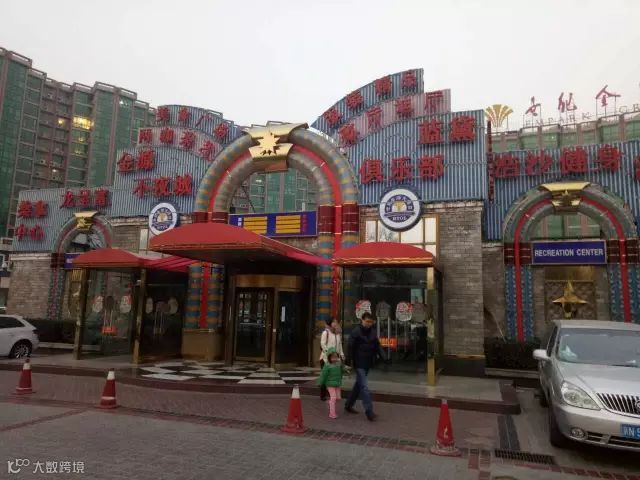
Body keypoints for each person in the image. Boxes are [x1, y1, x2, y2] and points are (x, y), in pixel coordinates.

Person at [345, 311, 387, 421]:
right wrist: (349, 361)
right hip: (359, 363)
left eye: (370, 322)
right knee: (364, 386)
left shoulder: (373, 333)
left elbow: (377, 346)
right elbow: (350, 347)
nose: (369, 324)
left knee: (358, 385)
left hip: (368, 362)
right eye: (367, 321)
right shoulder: (356, 332)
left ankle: (348, 405)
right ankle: (369, 411)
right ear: (362, 320)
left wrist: (384, 357)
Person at [318, 319, 344, 400]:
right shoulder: (326, 332)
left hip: (335, 359)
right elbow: (323, 344)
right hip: (325, 358)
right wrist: (329, 353)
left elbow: (340, 345)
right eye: (333, 322)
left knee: (334, 376)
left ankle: (333, 394)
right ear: (330, 323)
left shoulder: (338, 334)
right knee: (325, 376)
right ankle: (323, 395)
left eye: (336, 322)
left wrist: (342, 354)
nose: (335, 323)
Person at [316, 347, 345, 419]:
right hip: (330, 384)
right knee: (333, 398)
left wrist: (345, 368)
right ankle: (332, 413)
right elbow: (323, 375)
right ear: (329, 357)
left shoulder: (339, 364)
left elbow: (342, 370)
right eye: (333, 357)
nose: (334, 359)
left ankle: (330, 402)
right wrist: (320, 382)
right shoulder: (327, 365)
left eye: (336, 357)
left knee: (338, 398)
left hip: (337, 384)